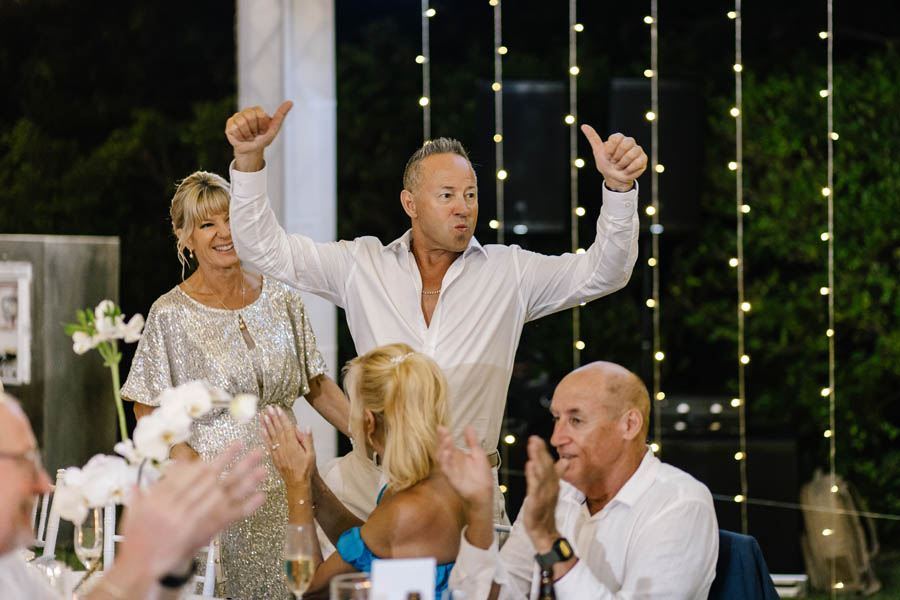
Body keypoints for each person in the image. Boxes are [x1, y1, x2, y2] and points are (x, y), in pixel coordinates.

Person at [225, 101, 647, 521]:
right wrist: (248, 161)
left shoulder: (510, 272)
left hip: (467, 497)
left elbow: (603, 273)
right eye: (447, 195)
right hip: (367, 489)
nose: (463, 207)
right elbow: (264, 250)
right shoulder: (361, 265)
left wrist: (619, 190)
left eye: (470, 195)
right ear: (410, 203)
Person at [120, 170, 350, 599]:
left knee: (297, 587)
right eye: (208, 224)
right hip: (218, 496)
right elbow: (145, 407)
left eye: (231, 219)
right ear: (185, 237)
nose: (224, 233)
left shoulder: (282, 298)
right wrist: (188, 463)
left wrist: (370, 435)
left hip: (290, 487)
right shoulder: (169, 313)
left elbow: (316, 384)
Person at [438, 361, 719, 599]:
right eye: (556, 419)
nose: (556, 438)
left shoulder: (680, 504)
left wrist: (549, 540)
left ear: (629, 425)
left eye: (576, 421)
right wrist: (478, 511)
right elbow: (498, 594)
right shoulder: (558, 493)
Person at [0, 391, 266, 600]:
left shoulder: (10, 567)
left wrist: (172, 562)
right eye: (25, 461)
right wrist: (136, 558)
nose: (43, 485)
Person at [261, 343, 466, 598]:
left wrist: (296, 485)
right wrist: (313, 481)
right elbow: (366, 547)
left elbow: (308, 587)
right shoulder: (436, 480)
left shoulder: (406, 509)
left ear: (368, 421)